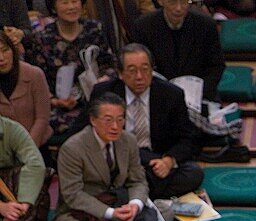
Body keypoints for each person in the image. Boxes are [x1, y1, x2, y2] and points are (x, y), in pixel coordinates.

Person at [90, 43, 203, 200]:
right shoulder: (103, 92)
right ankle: (137, 193)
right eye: (132, 70)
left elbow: (188, 139)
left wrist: (168, 161)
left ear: (152, 70)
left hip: (155, 161)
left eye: (145, 69)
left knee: (193, 173)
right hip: (116, 159)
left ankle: (124, 194)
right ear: (121, 74)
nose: (139, 76)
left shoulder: (171, 94)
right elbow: (85, 130)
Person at [54, 93, 151, 221]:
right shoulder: (72, 148)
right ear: (93, 120)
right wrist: (110, 213)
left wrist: (134, 205)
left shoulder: (129, 141)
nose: (115, 127)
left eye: (120, 120)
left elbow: (138, 181)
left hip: (120, 202)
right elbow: (73, 194)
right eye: (108, 120)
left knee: (163, 213)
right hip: (83, 210)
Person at [26, 0, 116, 141]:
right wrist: (55, 101)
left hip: (95, 97)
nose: (71, 7)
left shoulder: (94, 29)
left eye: (75, 1)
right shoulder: (42, 38)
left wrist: (102, 81)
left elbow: (110, 64)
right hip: (60, 105)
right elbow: (37, 81)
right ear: (54, 8)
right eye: (65, 2)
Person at [130, 0, 225, 102]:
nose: (178, 8)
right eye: (172, 2)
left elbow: (216, 65)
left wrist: (198, 92)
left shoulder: (206, 25)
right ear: (161, 2)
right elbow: (142, 68)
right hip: (159, 97)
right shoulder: (143, 26)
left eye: (184, 2)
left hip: (200, 95)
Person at [0, 31, 51, 149]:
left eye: (4, 50)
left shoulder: (34, 74)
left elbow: (42, 118)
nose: (1, 58)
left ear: (13, 50)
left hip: (38, 146)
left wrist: (27, 149)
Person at [0, 115, 48, 221]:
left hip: (13, 192)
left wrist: (20, 206)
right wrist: (1, 207)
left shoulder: (12, 129)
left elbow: (35, 164)